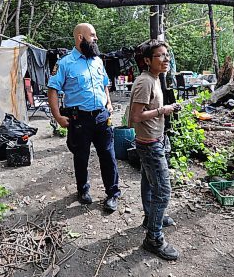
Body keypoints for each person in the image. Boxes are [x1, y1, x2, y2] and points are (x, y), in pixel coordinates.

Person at [47, 23, 121, 212]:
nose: (95, 39)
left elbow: (104, 83)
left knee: (108, 155)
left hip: (102, 117)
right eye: (93, 35)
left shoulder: (97, 60)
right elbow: (53, 90)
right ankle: (83, 190)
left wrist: (109, 103)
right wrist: (57, 116)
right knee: (81, 156)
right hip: (79, 119)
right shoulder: (65, 63)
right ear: (80, 37)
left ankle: (112, 193)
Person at [129, 39, 180, 261]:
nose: (166, 59)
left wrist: (165, 109)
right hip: (149, 144)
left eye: (166, 54)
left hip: (153, 140)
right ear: (148, 61)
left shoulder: (156, 78)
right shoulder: (145, 82)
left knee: (149, 183)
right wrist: (163, 110)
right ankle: (154, 238)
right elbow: (135, 117)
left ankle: (151, 218)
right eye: (160, 55)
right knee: (163, 190)